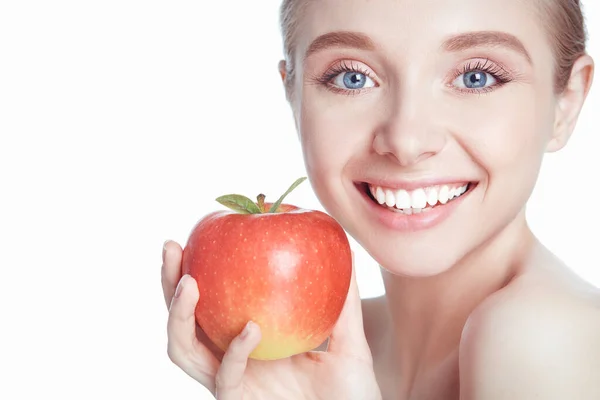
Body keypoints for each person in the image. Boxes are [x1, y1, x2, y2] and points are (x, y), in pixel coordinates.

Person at [160, 0, 600, 398]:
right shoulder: (325, 356)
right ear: (293, 96)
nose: (406, 141)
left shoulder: (538, 337)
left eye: (475, 77)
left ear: (568, 103)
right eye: (352, 78)